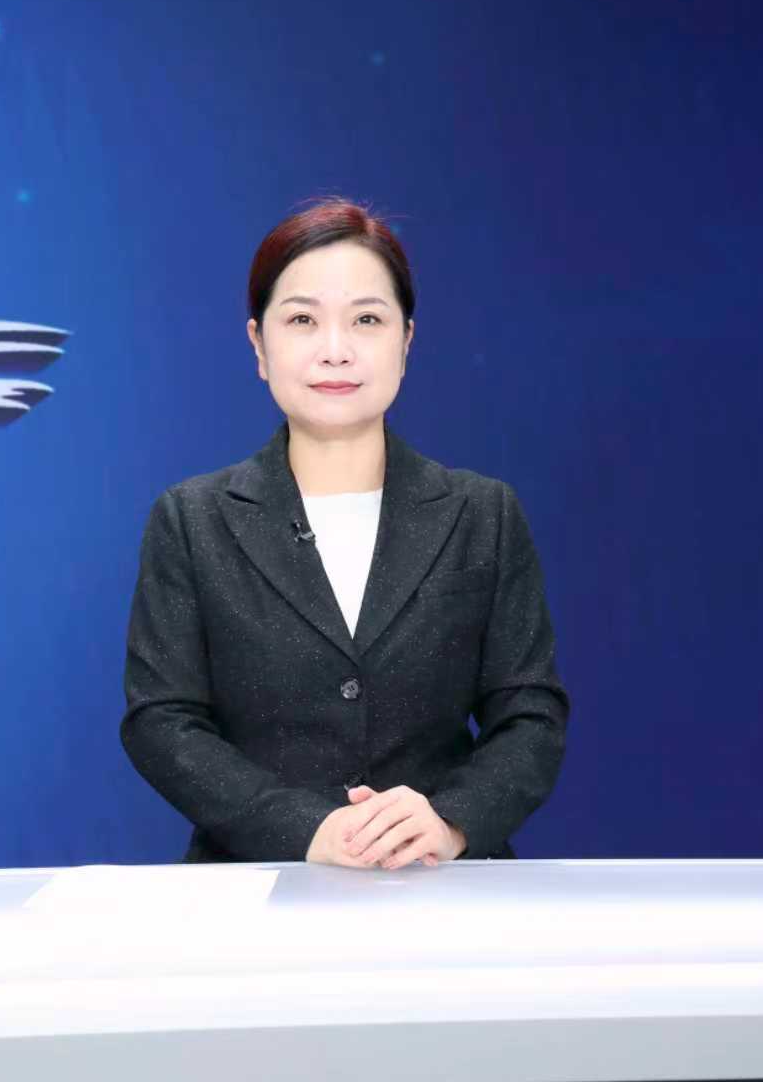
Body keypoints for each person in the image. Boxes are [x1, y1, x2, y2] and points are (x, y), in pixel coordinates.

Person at [120, 198, 569, 868]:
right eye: (302, 320)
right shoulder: (192, 519)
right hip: (256, 886)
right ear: (258, 346)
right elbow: (161, 721)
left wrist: (450, 820)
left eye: (366, 319)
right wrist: (307, 830)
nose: (335, 350)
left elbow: (531, 713)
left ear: (406, 341)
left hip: (441, 887)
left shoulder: (483, 514)